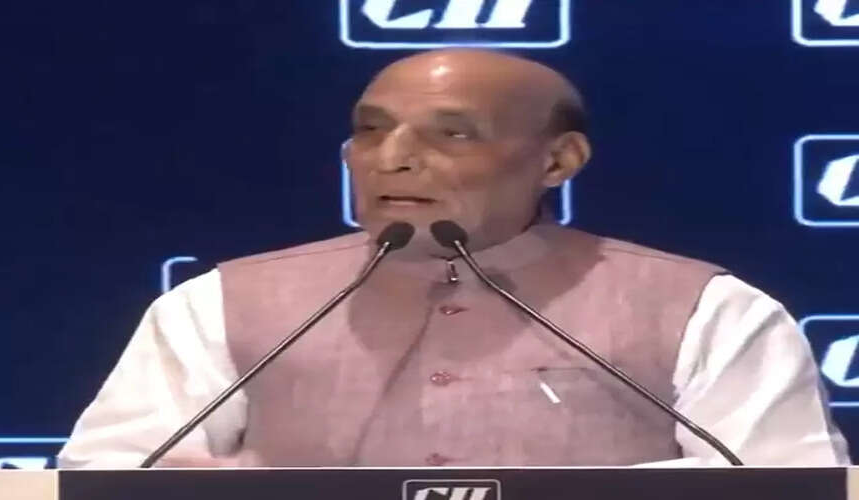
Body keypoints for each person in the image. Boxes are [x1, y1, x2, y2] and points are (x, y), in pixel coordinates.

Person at [58, 49, 849, 468]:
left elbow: (785, 483)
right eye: (371, 130)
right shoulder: (219, 303)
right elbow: (109, 475)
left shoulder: (707, 308)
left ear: (559, 160)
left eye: (453, 133)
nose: (392, 158)